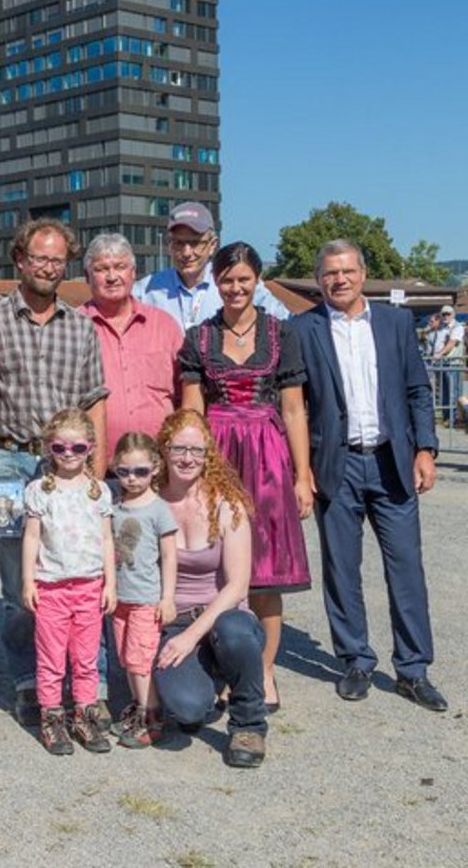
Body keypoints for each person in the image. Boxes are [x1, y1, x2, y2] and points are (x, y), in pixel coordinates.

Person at [289, 239, 446, 712]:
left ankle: (413, 669)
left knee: (406, 568)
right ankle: (355, 659)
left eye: (347, 271)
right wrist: (302, 471)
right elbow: (295, 405)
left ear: (363, 273)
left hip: (390, 461)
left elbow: (418, 389)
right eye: (330, 273)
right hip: (335, 464)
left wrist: (425, 449)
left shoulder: (396, 323)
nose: (339, 279)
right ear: (319, 280)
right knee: (341, 569)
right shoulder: (303, 328)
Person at [0, 218, 110, 727]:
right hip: (6, 460)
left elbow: (94, 402)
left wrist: (97, 467)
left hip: (67, 463)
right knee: (18, 585)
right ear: (20, 260)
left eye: (56, 260)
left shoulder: (81, 327)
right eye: (39, 258)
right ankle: (30, 682)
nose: (48, 267)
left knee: (82, 573)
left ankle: (88, 683)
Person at [178, 242, 312, 713]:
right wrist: (192, 470)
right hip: (218, 451)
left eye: (243, 279)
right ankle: (226, 670)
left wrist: (302, 474)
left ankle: (266, 671)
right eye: (227, 280)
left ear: (258, 279)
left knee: (266, 573)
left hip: (269, 454)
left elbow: (294, 408)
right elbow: (192, 408)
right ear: (216, 282)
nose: (235, 288)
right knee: (220, 570)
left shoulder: (281, 334)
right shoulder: (199, 337)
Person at [153, 409, 268, 768]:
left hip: (223, 617)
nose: (188, 458)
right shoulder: (150, 501)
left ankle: (248, 722)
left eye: (197, 451)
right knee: (187, 711)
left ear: (209, 455)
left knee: (234, 633)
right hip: (174, 621)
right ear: (164, 451)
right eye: (179, 449)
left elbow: (237, 585)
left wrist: (192, 636)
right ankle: (211, 680)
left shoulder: (226, 502)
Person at [20, 408, 116, 755]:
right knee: (51, 657)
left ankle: (83, 713)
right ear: (49, 449)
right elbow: (31, 537)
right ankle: (52, 715)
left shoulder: (98, 491)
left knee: (86, 657)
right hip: (51, 587)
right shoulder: (39, 491)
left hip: (90, 587)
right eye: (60, 448)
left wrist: (111, 583)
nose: (69, 455)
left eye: (77, 448)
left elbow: (107, 540)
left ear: (90, 447)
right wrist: (28, 581)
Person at [79, 233, 185, 464]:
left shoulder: (165, 326)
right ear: (87, 276)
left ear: (133, 273)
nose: (112, 276)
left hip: (158, 466)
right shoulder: (74, 328)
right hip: (92, 467)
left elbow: (184, 394)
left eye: (120, 267)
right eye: (101, 269)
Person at [108, 431, 178, 749]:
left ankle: (151, 715)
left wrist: (167, 597)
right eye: (124, 472)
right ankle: (139, 707)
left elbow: (169, 556)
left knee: (140, 659)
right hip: (120, 597)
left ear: (155, 468)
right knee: (125, 656)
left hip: (146, 599)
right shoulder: (116, 506)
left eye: (140, 472)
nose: (132, 479)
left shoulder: (159, 509)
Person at [134, 202, 287, 331]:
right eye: (179, 243)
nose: (187, 252)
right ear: (169, 244)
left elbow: (287, 323)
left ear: (212, 245)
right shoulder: (146, 290)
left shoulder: (235, 285)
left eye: (195, 243)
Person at [425, 305, 463, 425]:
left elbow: (452, 343)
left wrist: (440, 353)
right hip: (442, 364)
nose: (446, 316)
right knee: (444, 392)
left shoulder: (457, 327)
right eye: (444, 314)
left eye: (448, 314)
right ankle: (447, 418)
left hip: (453, 364)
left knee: (453, 392)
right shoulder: (441, 328)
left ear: (453, 315)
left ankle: (454, 418)